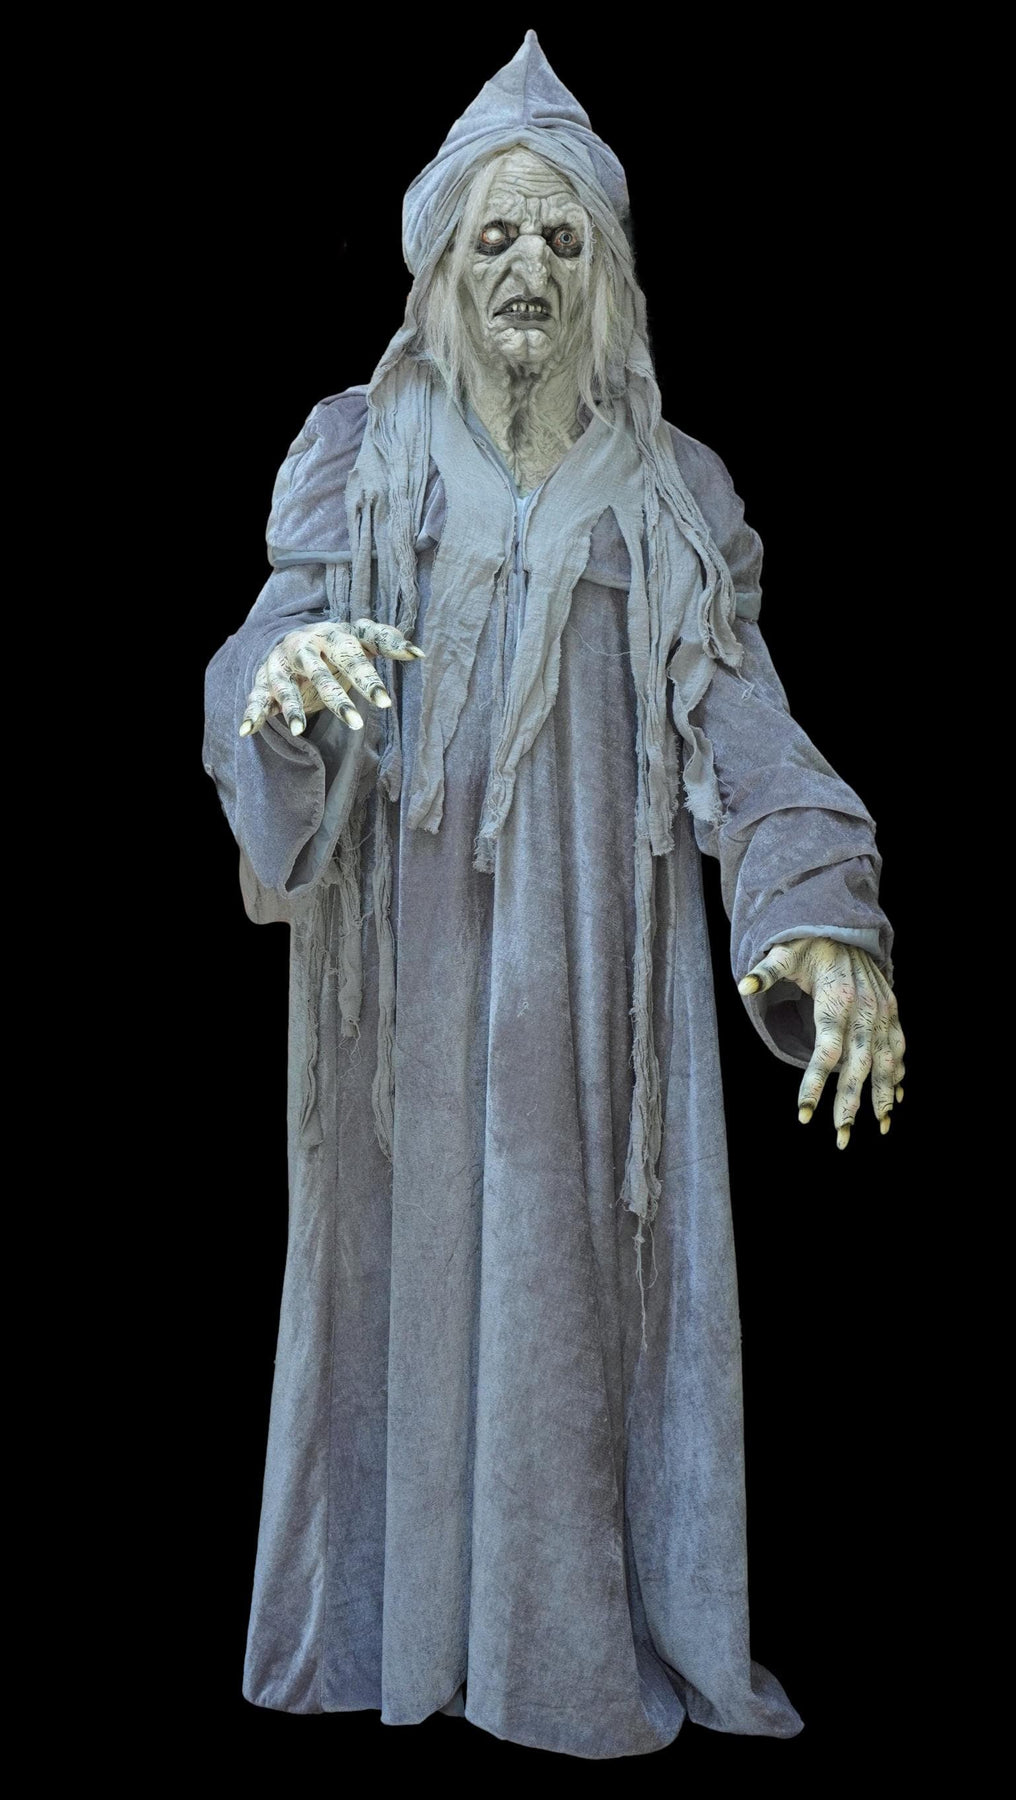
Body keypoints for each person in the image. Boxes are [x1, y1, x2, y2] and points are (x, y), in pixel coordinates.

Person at [202, 31, 905, 1760]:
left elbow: (746, 724)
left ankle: (563, 1654)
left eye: (564, 239)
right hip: (408, 984)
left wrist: (821, 908)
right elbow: (265, 649)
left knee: (575, 1309)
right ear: (441, 263)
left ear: (610, 278)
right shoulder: (360, 454)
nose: (528, 267)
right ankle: (392, 1630)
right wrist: (280, 689)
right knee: (397, 1288)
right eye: (497, 236)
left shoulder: (670, 493)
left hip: (596, 994)